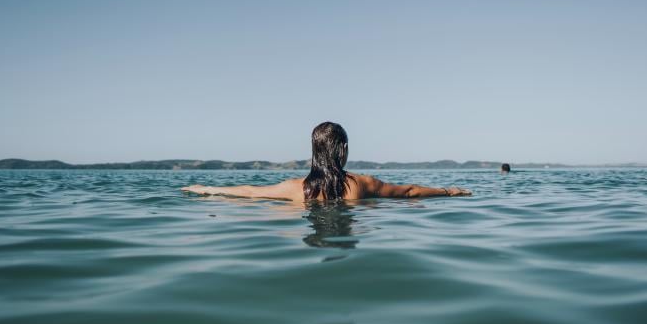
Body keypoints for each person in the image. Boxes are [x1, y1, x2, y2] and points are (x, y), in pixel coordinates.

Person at [181, 122, 472, 203]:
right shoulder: (362, 184)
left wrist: (205, 188)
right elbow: (409, 192)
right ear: (343, 149)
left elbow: (250, 192)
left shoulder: (295, 188)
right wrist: (449, 191)